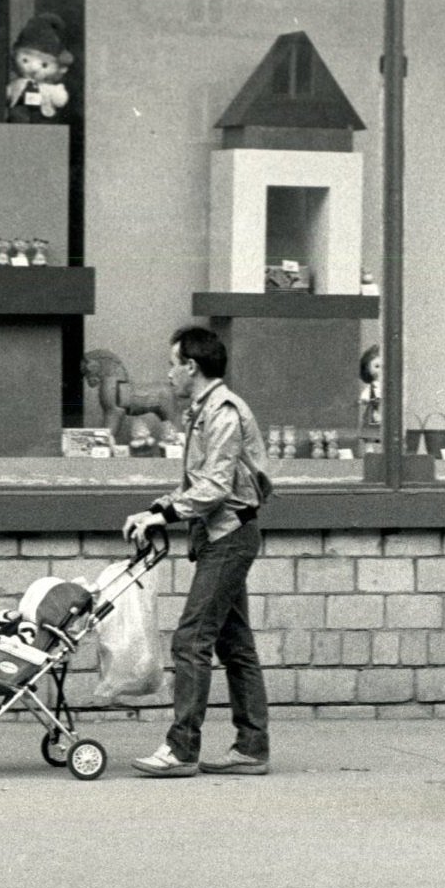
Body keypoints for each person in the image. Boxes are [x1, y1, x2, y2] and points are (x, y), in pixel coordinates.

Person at [122, 326, 272, 778]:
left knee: (191, 641)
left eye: (173, 364)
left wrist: (164, 516)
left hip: (229, 536)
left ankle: (182, 748)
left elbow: (214, 486)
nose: (169, 374)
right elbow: (197, 483)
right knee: (235, 644)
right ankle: (252, 747)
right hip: (223, 534)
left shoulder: (223, 412)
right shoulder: (203, 411)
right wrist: (157, 509)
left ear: (192, 366)